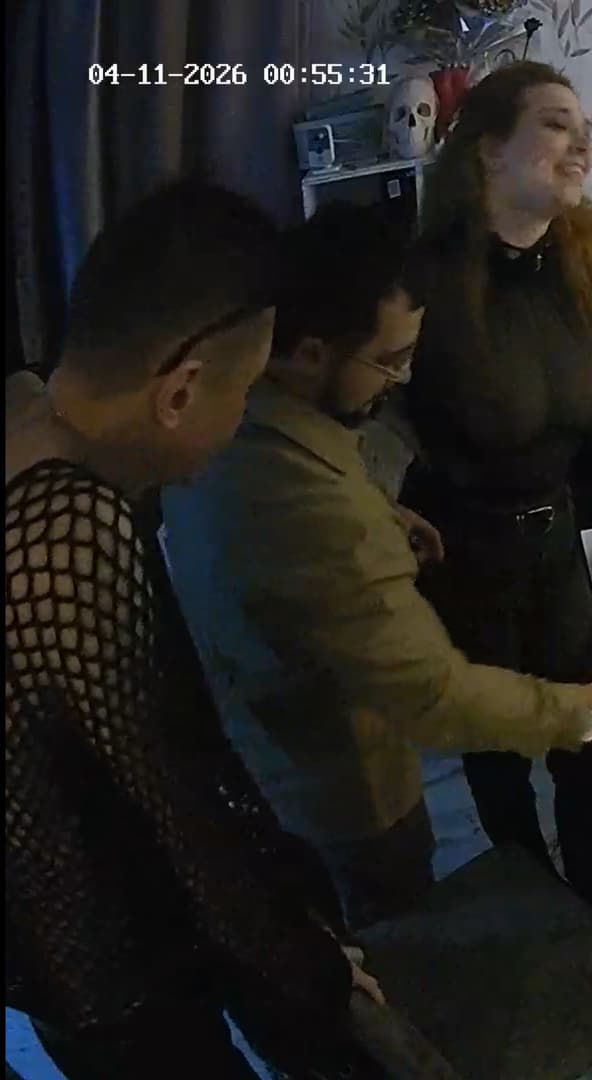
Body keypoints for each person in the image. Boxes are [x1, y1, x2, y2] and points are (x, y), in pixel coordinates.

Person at [162, 204, 592, 930]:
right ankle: (527, 900)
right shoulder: (312, 511)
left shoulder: (236, 403)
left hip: (297, 747)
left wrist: (383, 513)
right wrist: (588, 714)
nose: (399, 379)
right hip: (341, 793)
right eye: (389, 359)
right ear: (310, 353)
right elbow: (436, 696)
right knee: (397, 932)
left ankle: (578, 886)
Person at [5, 181, 381, 1077]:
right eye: (243, 391)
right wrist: (317, 973)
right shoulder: (69, 530)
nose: (241, 417)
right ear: (179, 391)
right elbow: (183, 820)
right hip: (107, 979)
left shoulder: (24, 399)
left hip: (53, 957)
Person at [400, 61, 592, 940]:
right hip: (460, 550)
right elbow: (365, 407)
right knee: (499, 742)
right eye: (554, 123)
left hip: (558, 542)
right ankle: (531, 889)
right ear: (486, 148)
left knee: (588, 732)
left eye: (585, 128)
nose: (581, 142)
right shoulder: (423, 278)